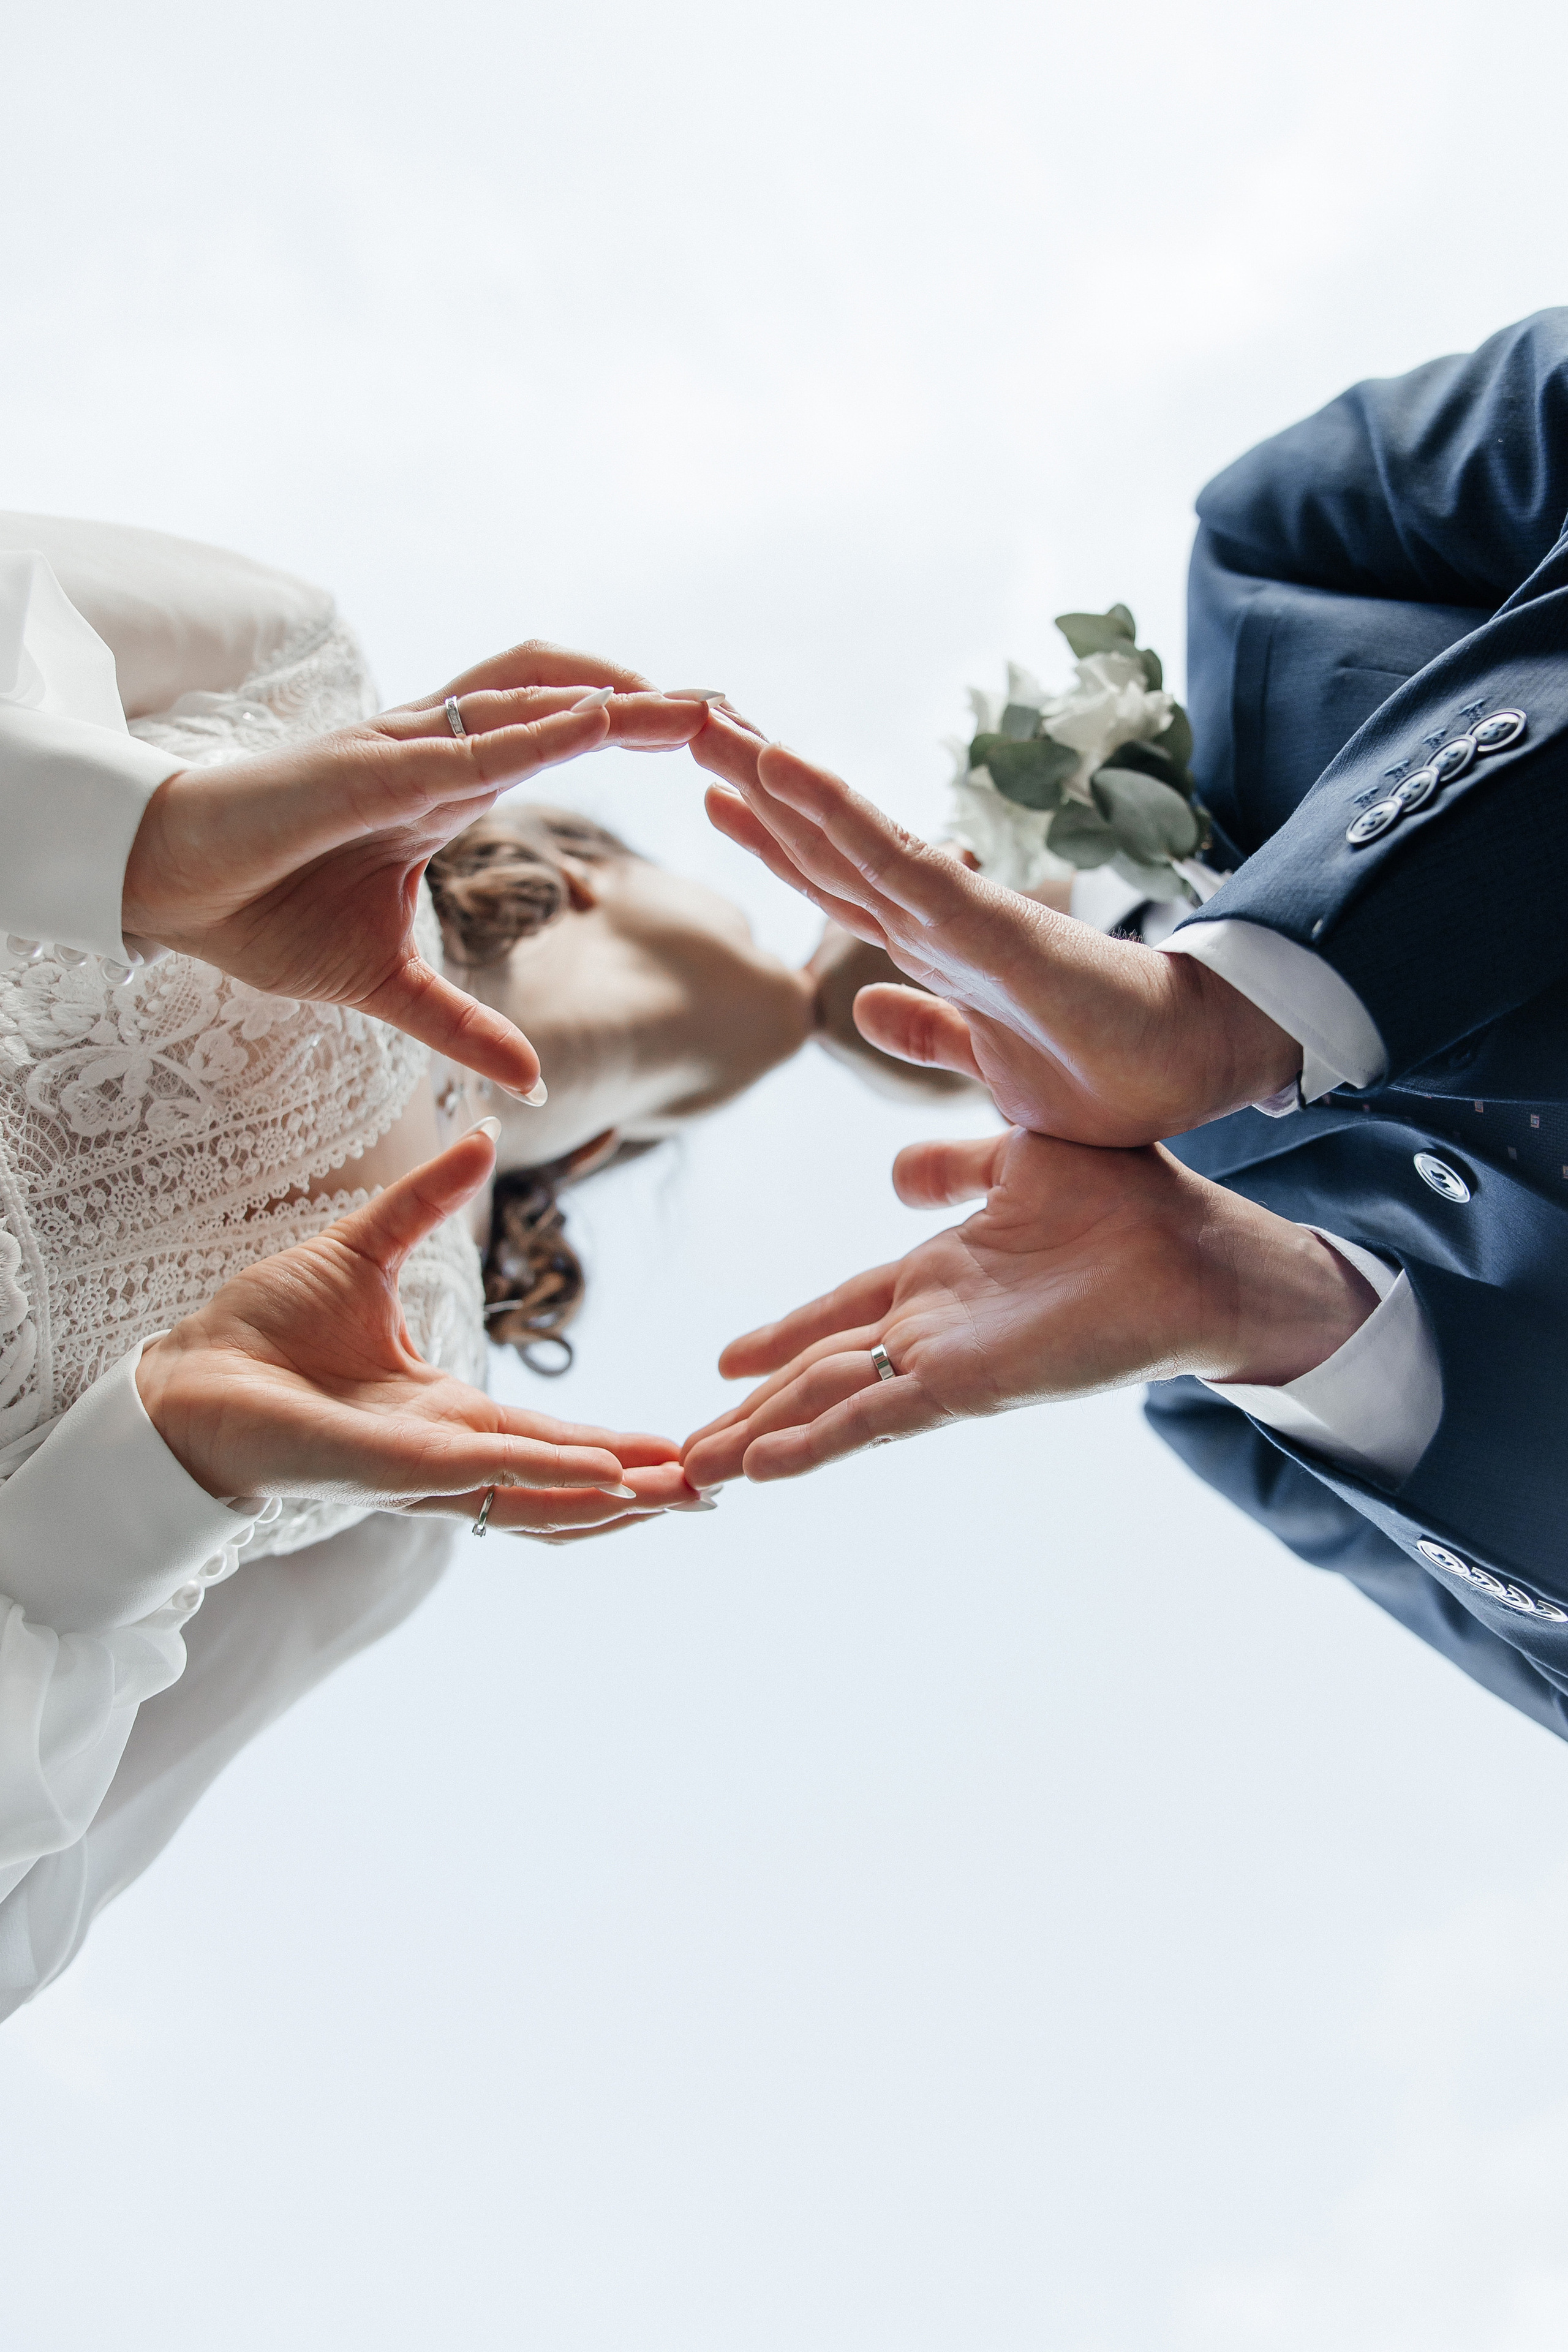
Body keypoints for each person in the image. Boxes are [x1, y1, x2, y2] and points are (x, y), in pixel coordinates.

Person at [682, 310, 1568, 1741]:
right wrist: (1270, 1307)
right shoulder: (1234, 1397)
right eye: (915, 1028)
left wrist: (1237, 1000)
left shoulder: (1277, 557)